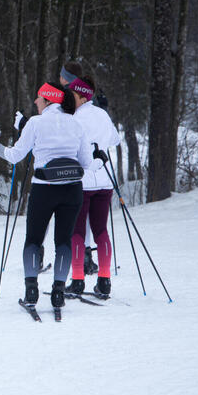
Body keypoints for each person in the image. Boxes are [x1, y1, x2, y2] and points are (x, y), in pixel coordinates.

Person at [0, 82, 90, 313]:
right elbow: (86, 163)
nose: (35, 103)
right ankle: (58, 292)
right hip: (72, 190)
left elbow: (14, 156)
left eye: (38, 99)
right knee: (63, 241)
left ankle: (31, 289)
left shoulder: (35, 123)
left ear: (48, 100)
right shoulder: (76, 124)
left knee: (33, 240)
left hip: (44, 188)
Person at [67, 74, 121, 298]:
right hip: (105, 180)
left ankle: (78, 280)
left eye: (72, 95)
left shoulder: (75, 118)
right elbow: (116, 140)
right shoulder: (102, 115)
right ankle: (105, 280)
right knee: (100, 230)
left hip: (82, 180)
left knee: (77, 231)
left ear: (81, 96)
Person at [59, 60, 98, 276]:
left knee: (76, 220)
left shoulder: (68, 98)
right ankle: (86, 258)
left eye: (63, 75)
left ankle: (78, 264)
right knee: (85, 220)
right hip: (90, 171)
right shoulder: (86, 100)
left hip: (76, 169)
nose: (60, 78)